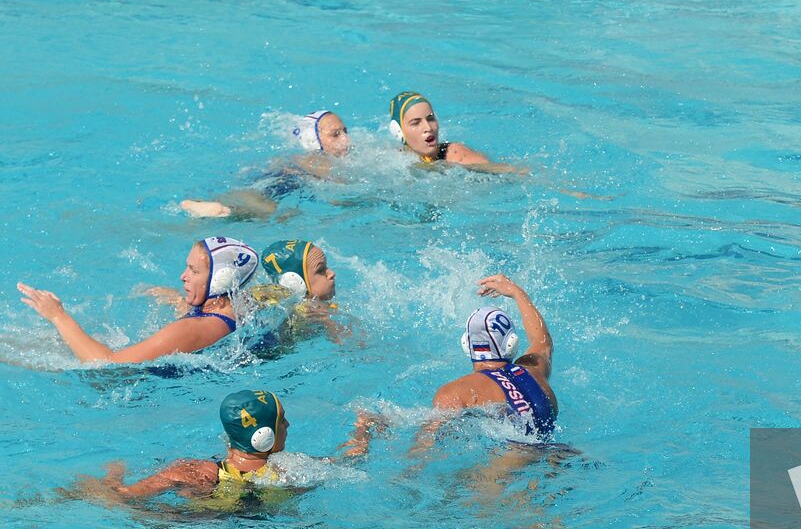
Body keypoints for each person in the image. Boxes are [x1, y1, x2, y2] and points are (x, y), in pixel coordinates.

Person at [66, 390, 379, 507]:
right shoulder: (292, 469)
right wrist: (364, 429)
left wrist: (113, 476)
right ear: (264, 436)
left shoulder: (192, 471)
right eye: (282, 420)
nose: (289, 425)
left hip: (198, 527)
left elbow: (123, 498)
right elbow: (352, 460)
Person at [18, 236, 258, 364]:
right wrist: (178, 300)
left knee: (31, 355)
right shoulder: (241, 305)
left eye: (194, 271)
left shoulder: (189, 329)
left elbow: (106, 366)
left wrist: (58, 316)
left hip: (137, 393)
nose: (183, 276)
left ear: (220, 282)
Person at [181, 110, 352, 219]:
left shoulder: (294, 157)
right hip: (269, 190)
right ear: (312, 141)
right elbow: (338, 198)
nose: (346, 139)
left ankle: (204, 205)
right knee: (269, 213)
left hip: (262, 184)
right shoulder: (318, 161)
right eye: (335, 135)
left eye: (345, 131)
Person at [389, 92, 525, 175]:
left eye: (430, 119)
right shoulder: (395, 158)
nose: (428, 128)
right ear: (398, 132)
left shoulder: (454, 154)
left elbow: (503, 170)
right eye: (416, 123)